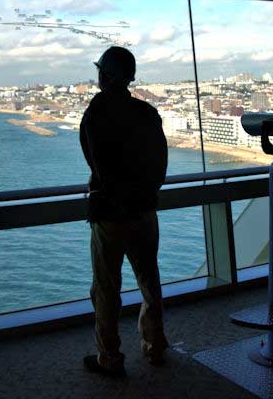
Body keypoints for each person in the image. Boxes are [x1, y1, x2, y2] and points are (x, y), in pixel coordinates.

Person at [80, 46, 169, 377]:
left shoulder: (97, 113)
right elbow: (160, 166)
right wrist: (142, 197)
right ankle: (155, 346)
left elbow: (98, 165)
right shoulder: (148, 113)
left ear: (105, 76)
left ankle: (110, 357)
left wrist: (117, 200)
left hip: (110, 214)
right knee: (149, 280)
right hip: (145, 211)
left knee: (106, 287)